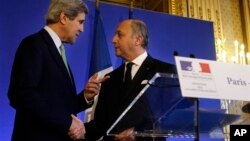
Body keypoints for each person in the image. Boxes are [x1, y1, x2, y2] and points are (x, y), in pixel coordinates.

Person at [8, 0, 108, 141]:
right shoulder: (34, 44)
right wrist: (68, 123)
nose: (82, 29)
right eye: (80, 22)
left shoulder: (57, 50)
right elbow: (21, 95)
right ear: (64, 18)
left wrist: (85, 96)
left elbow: (58, 104)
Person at [83, 19, 177, 141]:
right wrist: (77, 129)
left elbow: (171, 115)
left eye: (119, 35)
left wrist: (139, 132)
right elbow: (101, 125)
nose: (113, 40)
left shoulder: (165, 71)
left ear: (138, 40)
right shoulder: (110, 78)